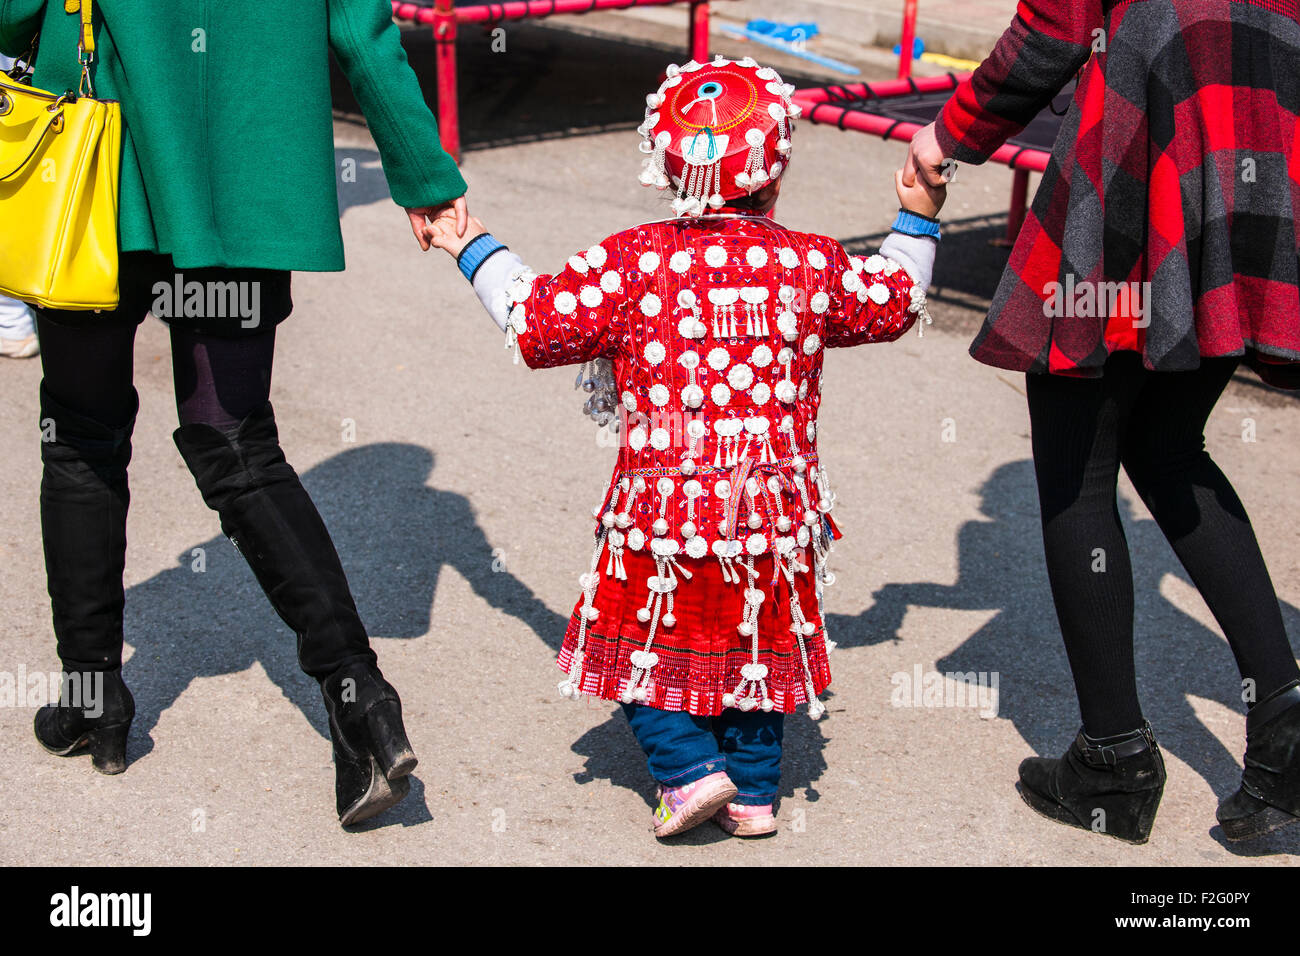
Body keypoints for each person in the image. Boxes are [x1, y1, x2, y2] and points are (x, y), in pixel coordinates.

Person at [428, 57, 946, 838]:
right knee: (762, 646)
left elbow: (534, 323)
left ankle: (687, 771)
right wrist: (920, 216)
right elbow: (896, 300)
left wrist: (469, 242)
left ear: (666, 169)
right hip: (775, 511)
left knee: (632, 638)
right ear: (773, 177)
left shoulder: (629, 261)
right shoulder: (809, 262)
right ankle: (755, 796)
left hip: (659, 509)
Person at [0, 0, 469, 826]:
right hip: (248, 177)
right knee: (237, 441)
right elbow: (361, 29)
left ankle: (91, 697)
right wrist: (424, 177)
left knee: (81, 433)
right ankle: (361, 703)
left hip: (102, 166)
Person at [903, 0, 1300, 843]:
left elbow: (1054, 27)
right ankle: (1286, 722)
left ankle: (1114, 763)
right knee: (1166, 443)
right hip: (1258, 157)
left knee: (1078, 469)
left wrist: (947, 136)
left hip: (1145, 160)